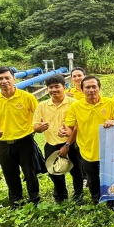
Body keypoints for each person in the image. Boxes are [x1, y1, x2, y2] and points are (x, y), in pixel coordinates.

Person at [0, 66, 40, 206]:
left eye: (7, 78)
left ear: (14, 79)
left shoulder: (27, 97)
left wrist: (36, 127)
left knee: (30, 171)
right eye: (0, 78)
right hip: (3, 143)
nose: (4, 81)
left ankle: (34, 198)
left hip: (25, 140)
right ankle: (16, 200)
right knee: (10, 173)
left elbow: (39, 116)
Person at [64, 75, 114, 212]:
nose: (91, 90)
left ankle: (112, 201)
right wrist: (65, 131)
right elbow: (70, 125)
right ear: (82, 89)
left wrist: (113, 121)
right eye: (87, 87)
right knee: (92, 178)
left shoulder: (109, 103)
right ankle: (96, 199)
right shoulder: (76, 106)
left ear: (99, 88)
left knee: (110, 177)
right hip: (87, 150)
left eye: (94, 87)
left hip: (109, 150)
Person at [33, 74, 83, 204]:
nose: (54, 90)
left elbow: (78, 126)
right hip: (51, 144)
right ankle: (61, 197)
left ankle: (78, 197)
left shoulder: (74, 103)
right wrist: (40, 128)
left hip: (72, 144)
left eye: (57, 86)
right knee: (54, 172)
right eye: (50, 87)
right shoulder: (42, 105)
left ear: (64, 87)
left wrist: (67, 145)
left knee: (76, 172)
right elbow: (35, 126)